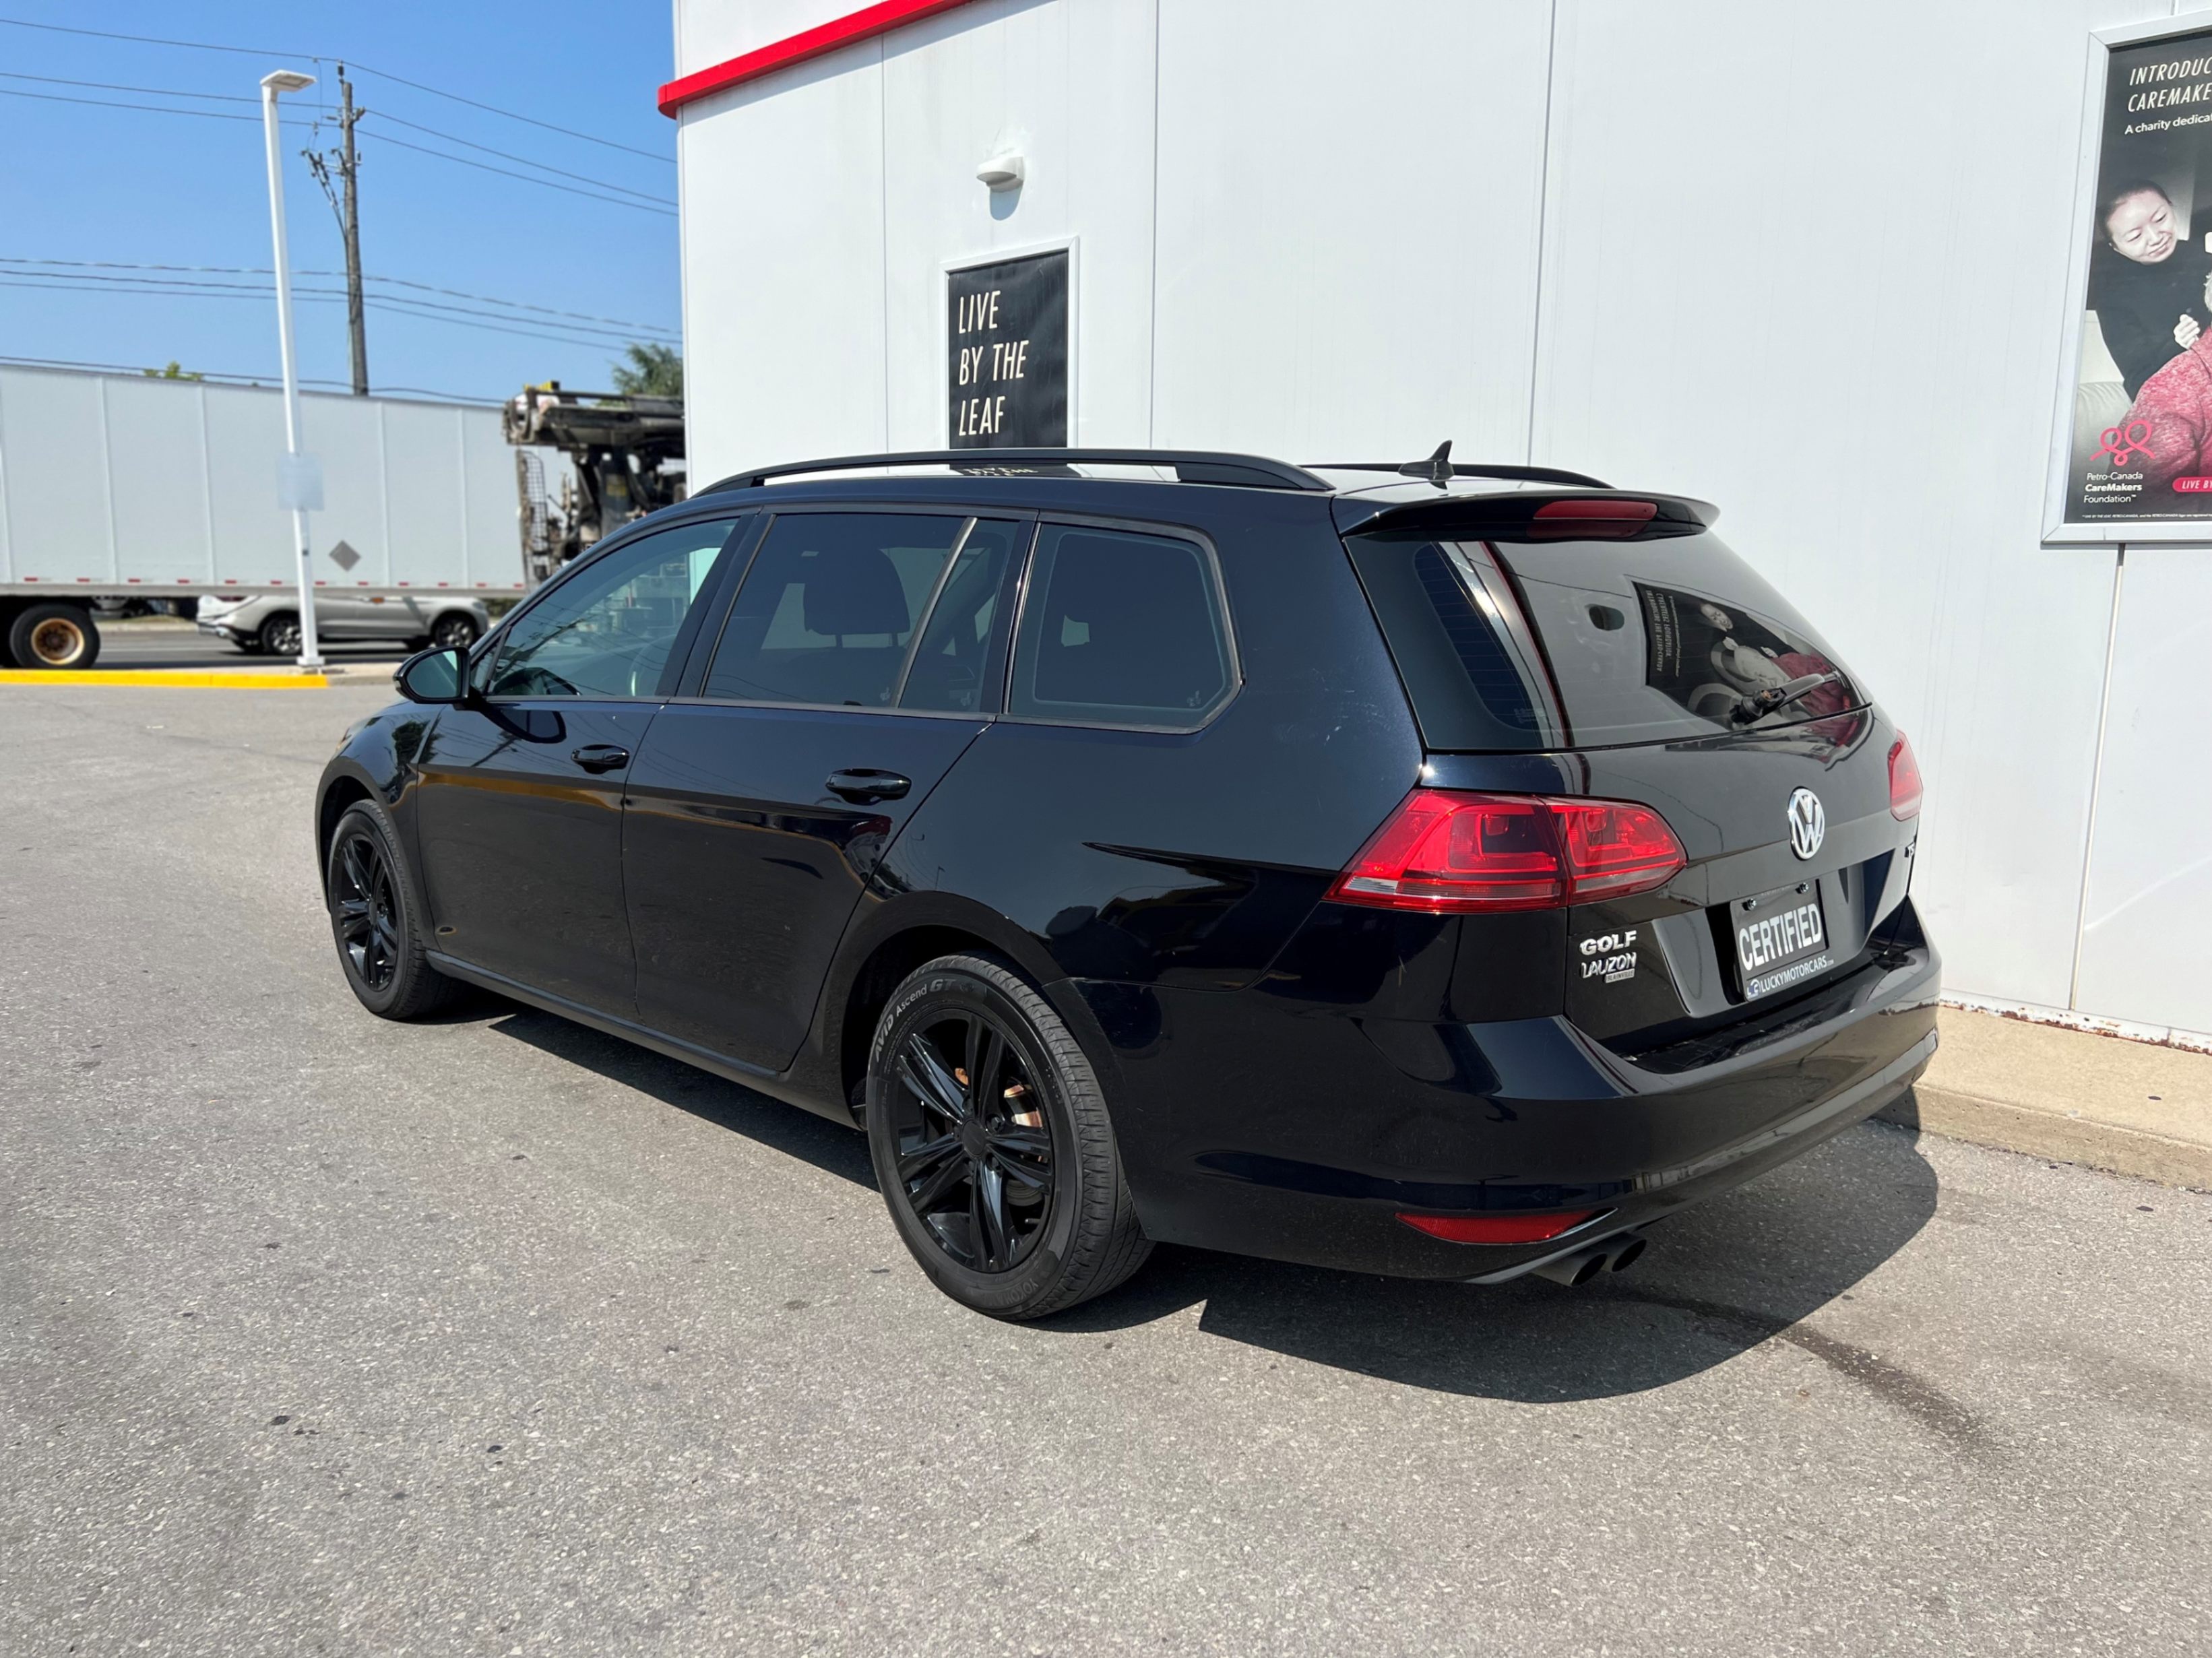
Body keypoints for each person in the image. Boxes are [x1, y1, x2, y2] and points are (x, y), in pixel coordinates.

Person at [2088, 181, 2212, 398]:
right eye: (2135, 236)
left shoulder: (2206, 261)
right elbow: (2138, 381)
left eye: (2161, 219)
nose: (2156, 238)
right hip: (2178, 400)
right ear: (2115, 247)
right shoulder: (2113, 298)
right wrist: (2177, 347)